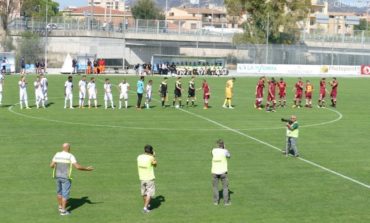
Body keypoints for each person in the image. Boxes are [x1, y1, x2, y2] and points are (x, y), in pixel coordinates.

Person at [50, 143, 94, 216]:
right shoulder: (70, 156)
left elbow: (51, 165)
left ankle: (60, 207)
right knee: (65, 194)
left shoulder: (57, 154)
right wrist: (87, 169)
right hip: (66, 178)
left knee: (59, 193)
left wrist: (56, 165)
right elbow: (78, 167)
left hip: (57, 176)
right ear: (68, 148)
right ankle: (63, 211)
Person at [137, 144, 157, 213]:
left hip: (142, 178)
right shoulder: (151, 158)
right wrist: (153, 156)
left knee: (144, 193)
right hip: (149, 178)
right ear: (151, 151)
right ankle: (145, 208)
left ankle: (146, 205)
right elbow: (155, 164)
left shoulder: (139, 157)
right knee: (149, 193)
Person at [211, 139, 231, 206]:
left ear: (217, 145)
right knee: (225, 188)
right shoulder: (225, 151)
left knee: (215, 187)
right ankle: (226, 202)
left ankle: (216, 202)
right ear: (223, 145)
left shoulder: (213, 150)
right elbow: (229, 156)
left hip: (214, 172)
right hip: (223, 172)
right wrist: (225, 148)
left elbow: (212, 154)